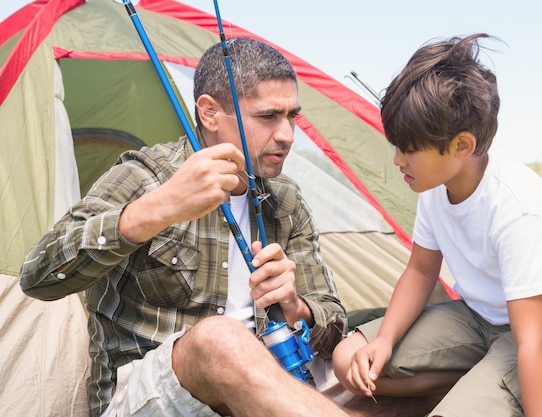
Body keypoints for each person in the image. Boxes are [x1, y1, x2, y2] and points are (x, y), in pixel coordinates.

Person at [20, 38, 349, 417]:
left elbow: (332, 319)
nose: (288, 134)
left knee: (393, 350)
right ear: (209, 113)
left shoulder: (286, 200)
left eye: (292, 116)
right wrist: (154, 210)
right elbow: (38, 276)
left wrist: (297, 307)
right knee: (220, 336)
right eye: (268, 117)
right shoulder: (145, 176)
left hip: (266, 384)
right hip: (149, 396)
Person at [332, 33, 542, 417]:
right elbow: (420, 270)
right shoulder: (434, 185)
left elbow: (530, 342)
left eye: (410, 149)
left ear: (461, 146)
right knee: (349, 360)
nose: (398, 160)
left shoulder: (517, 210)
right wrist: (384, 340)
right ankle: (475, 385)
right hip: (477, 318)